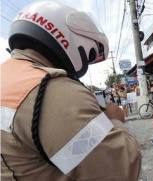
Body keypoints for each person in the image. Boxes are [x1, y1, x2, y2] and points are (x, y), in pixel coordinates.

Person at [1, 1, 141, 180]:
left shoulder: (8, 77)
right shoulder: (54, 92)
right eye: (90, 56)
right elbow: (120, 171)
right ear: (71, 38)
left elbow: (65, 152)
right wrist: (116, 120)